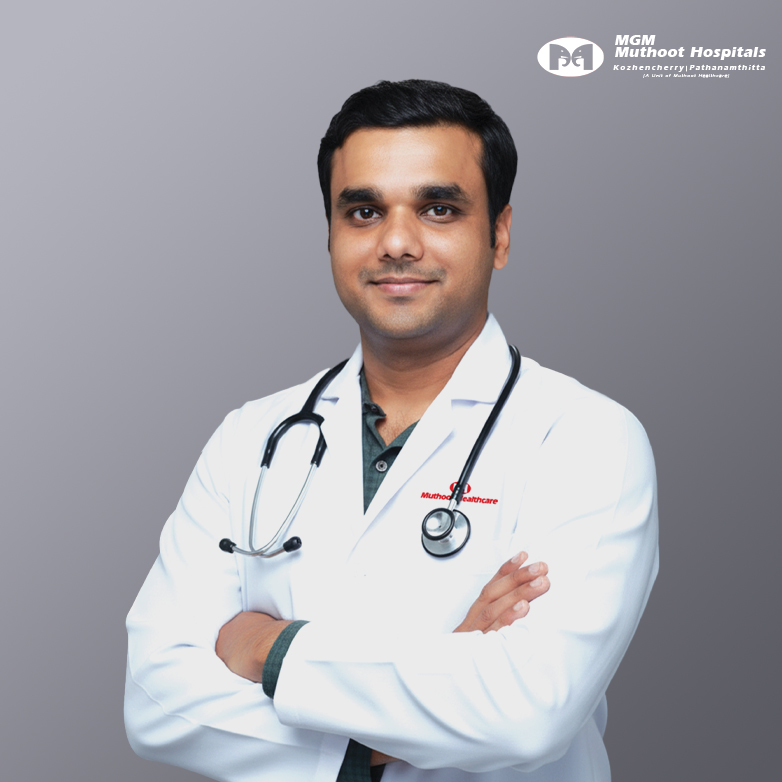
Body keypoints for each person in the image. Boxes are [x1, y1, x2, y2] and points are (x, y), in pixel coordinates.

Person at [125, 79, 659, 782]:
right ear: (330, 235)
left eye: (439, 208)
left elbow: (526, 712)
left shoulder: (587, 438)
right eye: (364, 211)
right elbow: (156, 703)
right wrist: (445, 670)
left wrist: (267, 649)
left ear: (498, 234)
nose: (397, 243)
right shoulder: (252, 437)